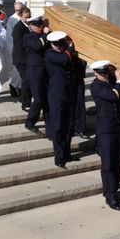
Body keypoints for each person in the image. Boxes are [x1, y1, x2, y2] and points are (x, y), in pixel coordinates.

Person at [90, 60, 120, 211]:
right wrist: (119, 81)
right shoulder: (95, 86)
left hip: (118, 127)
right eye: (102, 73)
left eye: (106, 72)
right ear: (95, 73)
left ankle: (114, 189)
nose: (105, 75)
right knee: (108, 164)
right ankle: (110, 195)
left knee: (119, 162)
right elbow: (113, 97)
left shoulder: (110, 82)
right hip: (105, 130)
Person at [45, 30, 77, 168]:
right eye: (57, 44)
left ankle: (67, 153)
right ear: (52, 44)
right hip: (57, 95)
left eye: (61, 43)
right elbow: (65, 59)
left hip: (68, 93)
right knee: (58, 126)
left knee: (69, 125)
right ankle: (59, 156)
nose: (60, 46)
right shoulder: (50, 54)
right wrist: (70, 46)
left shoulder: (63, 53)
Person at [23, 15, 49, 130]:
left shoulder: (44, 37)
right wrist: (45, 35)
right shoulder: (28, 37)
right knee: (38, 99)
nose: (40, 27)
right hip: (34, 73)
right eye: (38, 26)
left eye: (41, 25)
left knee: (46, 100)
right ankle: (30, 122)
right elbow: (38, 46)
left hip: (44, 72)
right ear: (31, 26)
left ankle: (49, 123)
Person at [12, 7, 32, 111]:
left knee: (28, 79)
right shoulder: (18, 28)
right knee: (27, 80)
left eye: (29, 16)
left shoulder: (29, 26)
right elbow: (20, 45)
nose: (28, 19)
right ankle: (26, 103)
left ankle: (23, 98)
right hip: (21, 59)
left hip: (27, 59)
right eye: (26, 17)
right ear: (20, 16)